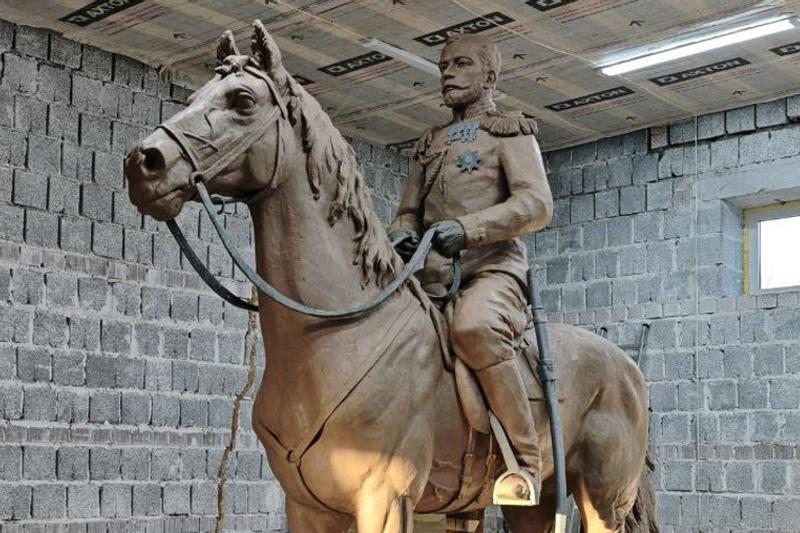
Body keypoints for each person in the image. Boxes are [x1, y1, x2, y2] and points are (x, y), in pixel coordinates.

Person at [387, 32, 554, 505]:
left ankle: (524, 463)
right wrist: (400, 232)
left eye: (461, 64)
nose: (447, 73)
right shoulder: (431, 143)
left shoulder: (509, 132)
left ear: (490, 75)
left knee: (474, 327)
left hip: (491, 269)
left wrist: (469, 228)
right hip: (429, 276)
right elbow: (408, 212)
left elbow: (536, 205)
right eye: (444, 66)